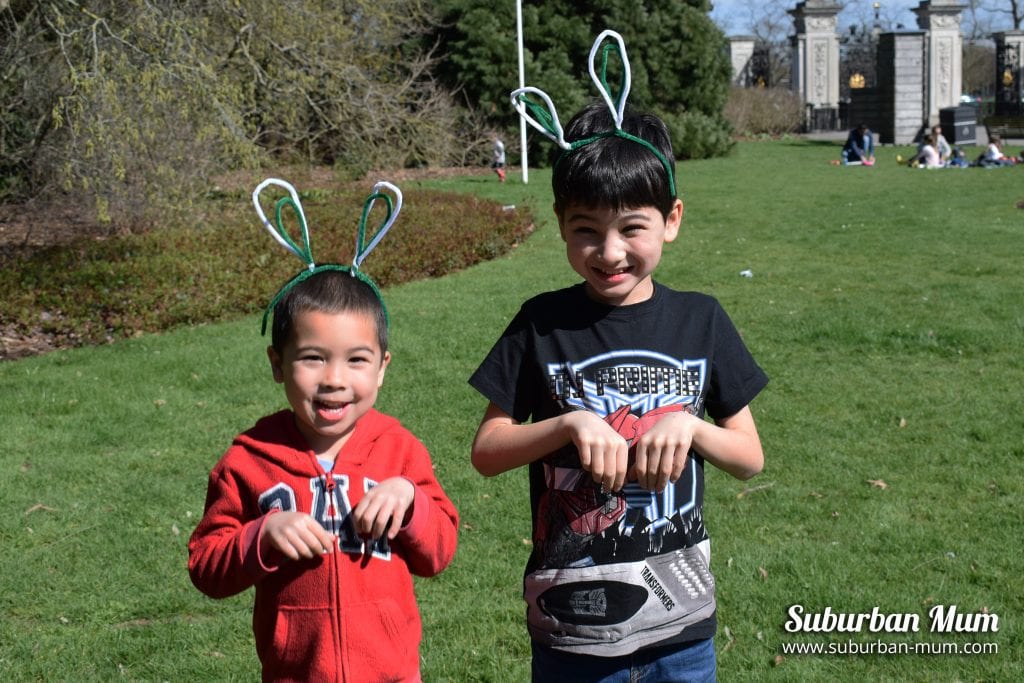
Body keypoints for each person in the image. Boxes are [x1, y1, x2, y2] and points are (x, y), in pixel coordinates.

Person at [469, 95, 768, 680]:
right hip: (571, 630)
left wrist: (689, 425)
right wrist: (568, 424)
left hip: (681, 631)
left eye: (633, 228)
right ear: (560, 222)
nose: (609, 253)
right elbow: (486, 452)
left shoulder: (701, 320)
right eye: (586, 230)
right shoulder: (540, 324)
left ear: (672, 220)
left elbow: (749, 458)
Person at [188, 184, 459, 682]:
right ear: (278, 364)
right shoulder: (249, 459)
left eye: (357, 360)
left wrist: (411, 501)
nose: (335, 379)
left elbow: (439, 551)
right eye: (313, 357)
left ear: (381, 368)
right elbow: (206, 566)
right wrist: (260, 536)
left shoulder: (399, 450)